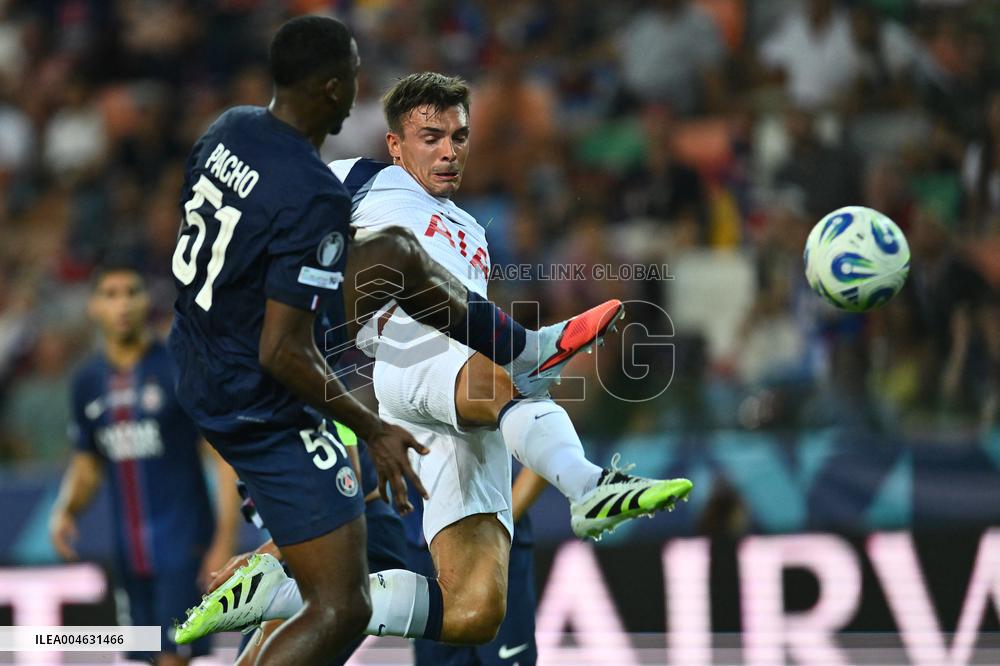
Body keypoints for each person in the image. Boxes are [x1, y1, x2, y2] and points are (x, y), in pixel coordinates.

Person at [174, 71, 692, 648]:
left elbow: (470, 316)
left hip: (459, 387)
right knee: (497, 370)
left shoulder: (473, 229)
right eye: (431, 137)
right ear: (395, 145)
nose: (449, 151)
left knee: (475, 610)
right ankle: (589, 485)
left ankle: (281, 594)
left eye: (459, 136)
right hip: (401, 347)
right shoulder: (360, 178)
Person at [49, 260, 242, 665]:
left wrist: (223, 540)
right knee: (144, 656)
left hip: (183, 544)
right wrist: (66, 510)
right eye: (110, 294)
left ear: (145, 301)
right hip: (127, 554)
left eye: (131, 293)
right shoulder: (87, 382)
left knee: (172, 657)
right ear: (93, 306)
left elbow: (222, 458)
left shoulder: (176, 367)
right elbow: (88, 463)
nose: (122, 305)